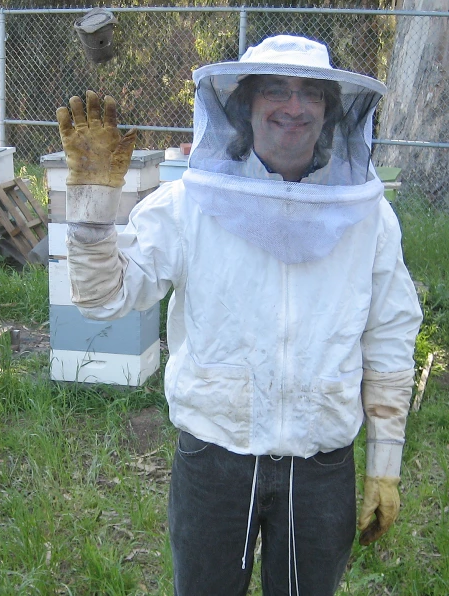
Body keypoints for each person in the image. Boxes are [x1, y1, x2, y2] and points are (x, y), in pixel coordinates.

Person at [56, 35, 422, 596]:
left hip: (321, 463)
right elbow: (103, 297)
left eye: (311, 95)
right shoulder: (189, 204)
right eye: (275, 90)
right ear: (243, 105)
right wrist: (88, 212)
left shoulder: (369, 216)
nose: (294, 108)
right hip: (215, 457)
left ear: (330, 112)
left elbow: (390, 337)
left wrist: (385, 464)